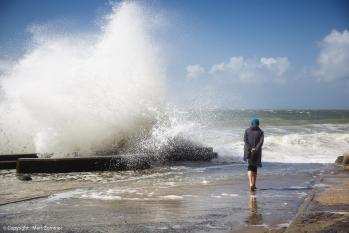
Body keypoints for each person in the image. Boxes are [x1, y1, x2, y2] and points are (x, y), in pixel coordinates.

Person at [244, 117, 264, 191]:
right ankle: (254, 184)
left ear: (252, 123)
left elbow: (245, 141)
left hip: (248, 151)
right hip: (257, 152)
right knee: (255, 168)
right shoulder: (261, 132)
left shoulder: (247, 130)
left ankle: (250, 184)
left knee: (249, 167)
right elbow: (261, 142)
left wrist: (250, 148)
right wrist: (255, 149)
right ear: (258, 124)